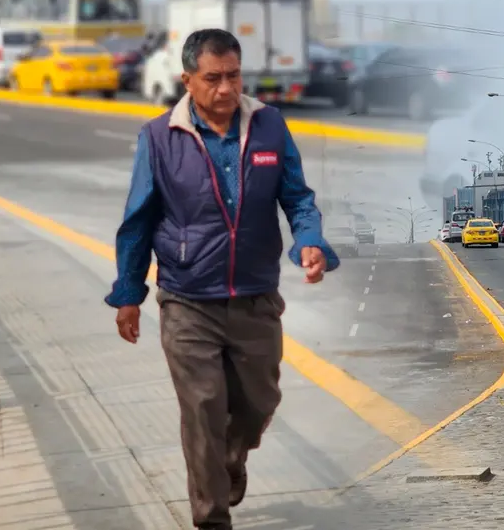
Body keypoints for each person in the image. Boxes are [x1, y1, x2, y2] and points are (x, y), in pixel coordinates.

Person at [105, 28, 339, 530]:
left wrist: (309, 242)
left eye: (234, 75)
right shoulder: (159, 138)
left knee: (259, 404)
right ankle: (211, 517)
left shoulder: (270, 126)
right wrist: (128, 294)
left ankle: (231, 462)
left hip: (256, 296)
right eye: (213, 78)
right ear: (187, 79)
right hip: (187, 299)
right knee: (203, 408)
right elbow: (138, 221)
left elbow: (297, 198)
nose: (226, 89)